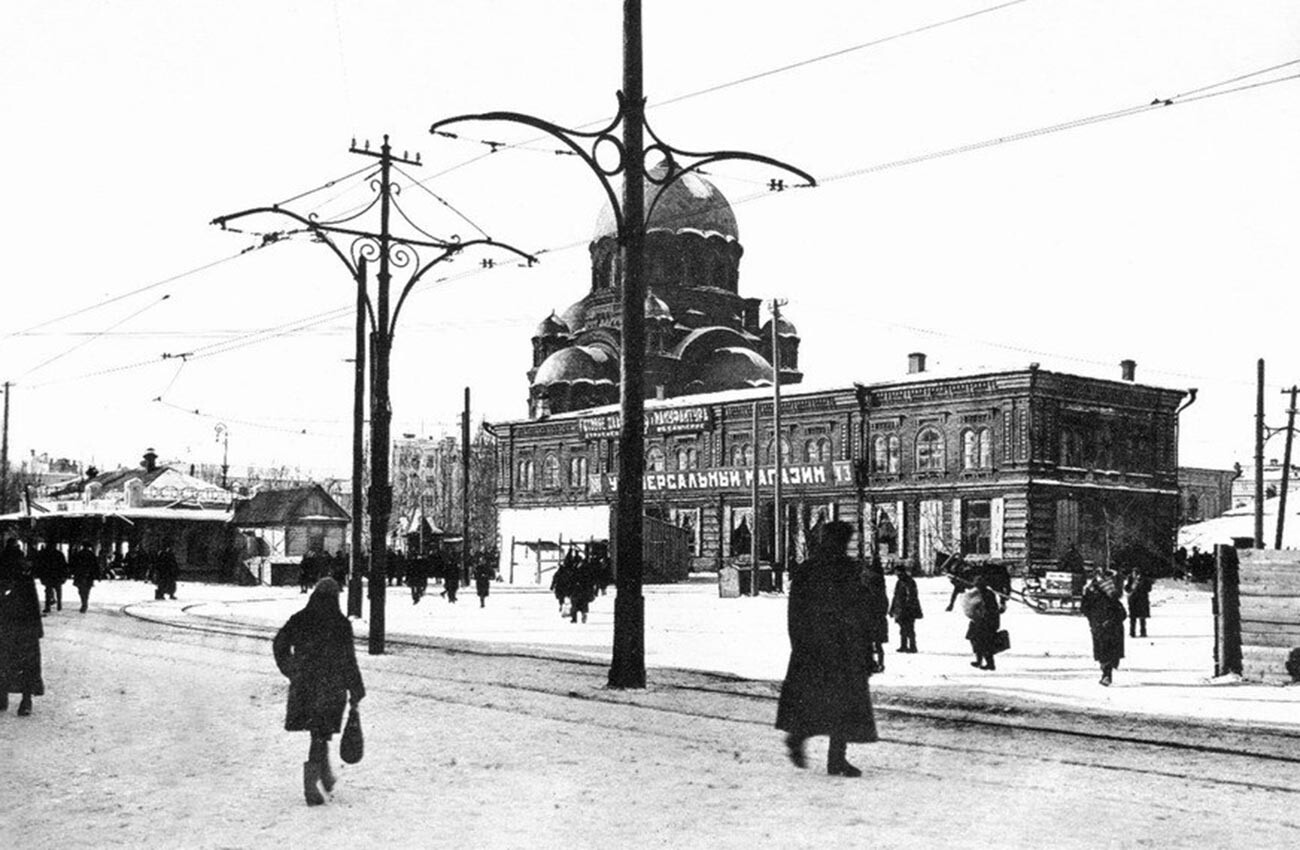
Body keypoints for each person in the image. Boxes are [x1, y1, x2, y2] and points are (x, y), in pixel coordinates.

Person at [775, 520, 877, 778]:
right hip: (836, 648)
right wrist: (866, 648)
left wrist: (799, 645)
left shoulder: (812, 569)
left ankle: (818, 749)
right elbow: (861, 612)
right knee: (839, 704)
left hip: (821, 648)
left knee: (825, 703)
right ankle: (822, 752)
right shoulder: (844, 570)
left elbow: (795, 613)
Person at [272, 578, 366, 806]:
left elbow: (279, 644)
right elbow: (348, 659)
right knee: (320, 732)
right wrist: (356, 688)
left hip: (305, 685)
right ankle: (312, 784)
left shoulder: (300, 619)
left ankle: (324, 776)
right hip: (331, 686)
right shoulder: (340, 623)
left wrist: (291, 669)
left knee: (319, 732)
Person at [0, 538, 45, 716]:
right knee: (27, 664)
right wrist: (37, 629)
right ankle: (26, 700)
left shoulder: (15, 576)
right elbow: (33, 605)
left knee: (4, 661)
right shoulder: (25, 577)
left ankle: (3, 697)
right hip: (24, 628)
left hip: (6, 627)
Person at [1081, 566, 1126, 686]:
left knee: (1104, 652)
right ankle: (1107, 673)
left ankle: (1106, 674)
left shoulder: (1092, 592)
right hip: (1105, 626)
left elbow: (1084, 608)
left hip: (1102, 626)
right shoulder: (1110, 596)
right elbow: (1122, 614)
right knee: (1107, 653)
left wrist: (1094, 620)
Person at [962, 573, 1001, 671]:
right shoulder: (986, 593)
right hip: (984, 622)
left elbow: (985, 609)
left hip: (984, 622)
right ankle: (981, 661)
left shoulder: (983, 594)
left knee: (982, 642)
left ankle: (988, 663)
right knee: (977, 641)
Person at [889, 560, 923, 653]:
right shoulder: (899, 582)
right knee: (902, 628)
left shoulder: (909, 581)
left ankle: (913, 646)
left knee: (909, 628)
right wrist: (892, 609)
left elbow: (911, 596)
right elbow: (895, 596)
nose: (897, 574)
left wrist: (908, 607)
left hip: (908, 609)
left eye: (898, 572)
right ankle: (903, 645)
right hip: (900, 608)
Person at [863, 555, 889, 672]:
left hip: (871, 619)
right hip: (878, 618)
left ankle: (873, 663)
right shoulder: (880, 585)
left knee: (869, 644)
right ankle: (879, 664)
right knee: (877, 645)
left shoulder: (868, 582)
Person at [35, 542, 68, 614]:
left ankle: (48, 607)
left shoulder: (45, 555)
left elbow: (41, 565)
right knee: (58, 590)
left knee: (48, 591)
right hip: (57, 575)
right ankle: (59, 604)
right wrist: (64, 575)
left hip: (48, 575)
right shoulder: (59, 554)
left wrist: (40, 574)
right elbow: (64, 565)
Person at [69, 543, 99, 614]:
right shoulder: (91, 555)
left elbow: (74, 564)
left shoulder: (79, 554)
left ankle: (84, 603)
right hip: (89, 576)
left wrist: (72, 572)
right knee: (87, 590)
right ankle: (85, 603)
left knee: (81, 590)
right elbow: (95, 566)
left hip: (80, 575)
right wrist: (97, 575)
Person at [1125, 569, 1153, 638]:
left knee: (1142, 618)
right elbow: (1127, 588)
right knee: (1132, 617)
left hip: (1141, 600)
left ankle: (1143, 632)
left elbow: (1149, 589)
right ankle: (1132, 632)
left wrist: (1141, 587)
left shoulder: (1144, 579)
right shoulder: (1130, 579)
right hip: (1133, 600)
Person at [569, 554, 593, 624]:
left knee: (575, 604)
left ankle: (575, 618)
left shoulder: (575, 569)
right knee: (582, 604)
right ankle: (582, 615)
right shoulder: (587, 569)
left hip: (578, 590)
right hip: (583, 590)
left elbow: (572, 579)